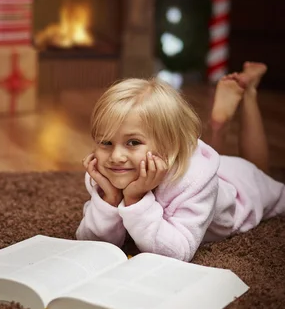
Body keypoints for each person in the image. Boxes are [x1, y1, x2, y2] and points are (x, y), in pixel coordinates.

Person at [76, 62, 285, 262]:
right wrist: (109, 200)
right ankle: (218, 124)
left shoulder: (194, 180)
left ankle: (249, 93)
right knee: (221, 161)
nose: (116, 156)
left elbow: (177, 252)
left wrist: (136, 199)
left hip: (242, 189)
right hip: (198, 165)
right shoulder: (109, 172)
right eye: (106, 142)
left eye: (133, 142)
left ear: (170, 146)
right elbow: (90, 243)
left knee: (260, 171)